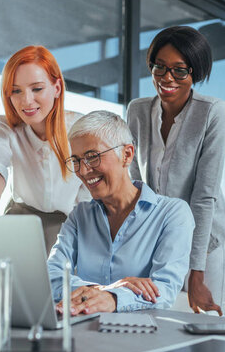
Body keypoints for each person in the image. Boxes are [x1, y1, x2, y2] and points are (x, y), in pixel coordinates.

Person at [127, 26, 225, 316]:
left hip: (208, 247)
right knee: (161, 329)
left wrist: (196, 273)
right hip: (162, 244)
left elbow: (204, 195)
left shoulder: (213, 112)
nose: (167, 79)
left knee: (209, 338)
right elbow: (135, 186)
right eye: (159, 68)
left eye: (179, 70)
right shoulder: (137, 111)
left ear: (195, 72)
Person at [47, 111, 194, 314]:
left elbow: (164, 289)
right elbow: (52, 273)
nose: (83, 170)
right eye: (76, 160)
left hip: (142, 335)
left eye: (92, 157)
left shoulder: (173, 214)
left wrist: (112, 299)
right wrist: (105, 291)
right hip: (84, 331)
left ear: (127, 154)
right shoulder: (79, 216)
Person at [0, 45, 89, 254]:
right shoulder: (6, 127)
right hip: (18, 225)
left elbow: (90, 198)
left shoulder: (82, 130)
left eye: (37, 89)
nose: (26, 100)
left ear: (57, 88)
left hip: (69, 227)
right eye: (16, 91)